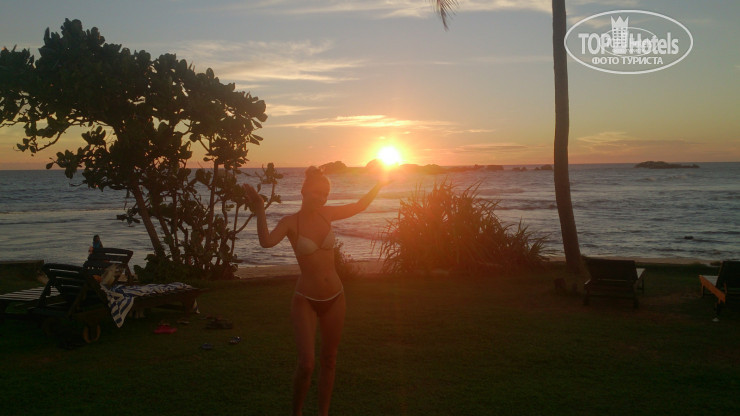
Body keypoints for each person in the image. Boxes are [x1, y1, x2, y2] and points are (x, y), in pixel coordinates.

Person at [243, 166, 387, 416]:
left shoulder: (327, 215)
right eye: (316, 192)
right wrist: (259, 208)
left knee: (329, 360)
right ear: (303, 191)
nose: (321, 198)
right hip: (306, 300)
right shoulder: (290, 222)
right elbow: (266, 242)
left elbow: (359, 205)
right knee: (307, 364)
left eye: (325, 194)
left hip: (336, 296)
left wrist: (380, 184)